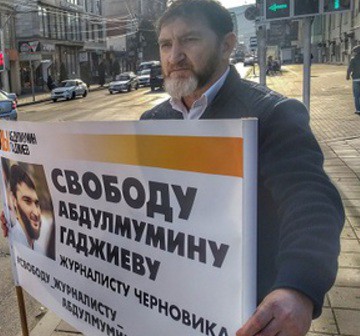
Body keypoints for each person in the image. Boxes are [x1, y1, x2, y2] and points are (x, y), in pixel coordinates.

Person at [140, 1, 343, 335]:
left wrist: (298, 287)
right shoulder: (152, 121)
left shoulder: (271, 114)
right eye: (165, 44)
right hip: (175, 302)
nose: (174, 56)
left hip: (247, 311)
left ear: (227, 45)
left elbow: (312, 200)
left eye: (189, 40)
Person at [0, 164, 55, 259]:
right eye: (27, 201)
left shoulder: (40, 249)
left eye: (37, 204)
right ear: (14, 201)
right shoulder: (17, 239)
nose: (36, 213)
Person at [346, 45, 360, 114]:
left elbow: (349, 69)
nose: (353, 53)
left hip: (356, 79)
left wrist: (347, 76)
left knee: (356, 95)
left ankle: (358, 110)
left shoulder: (353, 59)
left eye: (354, 51)